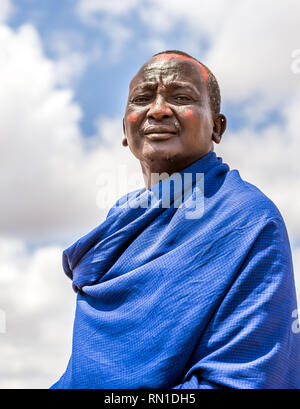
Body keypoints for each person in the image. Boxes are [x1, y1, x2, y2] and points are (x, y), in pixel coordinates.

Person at [51, 50, 300, 389]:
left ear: (217, 126)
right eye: (142, 98)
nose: (157, 110)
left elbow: (244, 378)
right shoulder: (120, 226)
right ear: (126, 128)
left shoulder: (247, 219)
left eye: (181, 97)